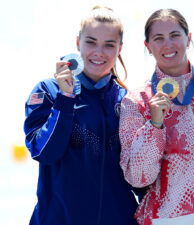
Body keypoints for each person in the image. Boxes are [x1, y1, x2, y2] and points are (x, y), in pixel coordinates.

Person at [119, 9, 194, 225]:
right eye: (159, 38)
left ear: (188, 38)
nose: (168, 44)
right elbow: (138, 177)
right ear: (148, 46)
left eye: (175, 35)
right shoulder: (136, 101)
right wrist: (154, 126)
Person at [24, 6, 140, 225]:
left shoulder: (129, 100)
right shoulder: (48, 91)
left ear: (120, 48)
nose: (99, 51)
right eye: (91, 42)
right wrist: (65, 98)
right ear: (78, 42)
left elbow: (140, 176)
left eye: (109, 44)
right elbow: (45, 152)